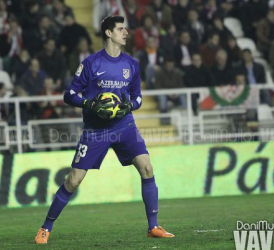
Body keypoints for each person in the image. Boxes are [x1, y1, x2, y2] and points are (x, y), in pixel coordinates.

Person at [34, 15, 174, 245]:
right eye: (120, 29)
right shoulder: (91, 63)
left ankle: (153, 226)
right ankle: (45, 228)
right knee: (73, 181)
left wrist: (129, 105)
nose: (126, 33)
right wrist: (89, 104)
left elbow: (138, 96)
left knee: (147, 168)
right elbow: (69, 94)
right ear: (108, 33)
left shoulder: (132, 64)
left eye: (125, 29)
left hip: (124, 124)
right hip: (95, 130)